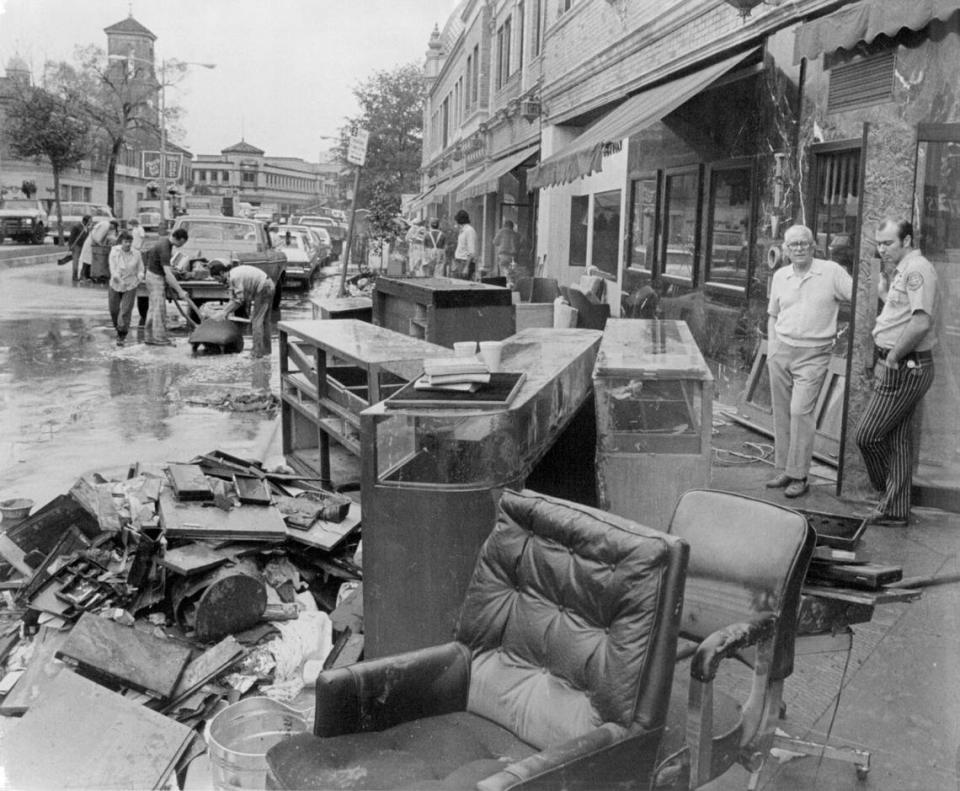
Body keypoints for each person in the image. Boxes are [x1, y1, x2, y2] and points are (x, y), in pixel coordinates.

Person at [854, 218, 939, 526]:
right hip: (904, 363)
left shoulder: (917, 270)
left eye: (888, 243)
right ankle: (896, 509)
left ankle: (887, 493)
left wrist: (892, 358)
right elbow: (902, 313)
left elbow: (920, 322)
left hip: (905, 365)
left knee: (868, 435)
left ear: (907, 240)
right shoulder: (904, 270)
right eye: (878, 243)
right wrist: (884, 294)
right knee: (898, 440)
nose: (882, 249)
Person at [765, 224, 852, 498]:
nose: (799, 249)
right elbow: (773, 315)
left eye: (804, 243)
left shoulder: (831, 272)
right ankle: (786, 469)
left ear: (814, 246)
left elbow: (860, 298)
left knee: (800, 412)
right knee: (781, 412)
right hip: (781, 351)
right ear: (785, 249)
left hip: (814, 353)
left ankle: (800, 476)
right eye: (793, 245)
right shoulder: (781, 276)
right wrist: (773, 350)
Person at [209, 262, 275, 358]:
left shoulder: (234, 277)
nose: (217, 281)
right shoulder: (231, 277)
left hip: (264, 287)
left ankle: (257, 353)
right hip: (269, 285)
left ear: (222, 273)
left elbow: (240, 300)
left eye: (217, 278)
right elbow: (233, 299)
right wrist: (225, 311)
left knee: (256, 321)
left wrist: (224, 312)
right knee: (264, 321)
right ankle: (266, 351)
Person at [142, 228, 190, 346]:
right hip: (155, 278)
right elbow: (168, 274)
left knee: (153, 308)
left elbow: (166, 269)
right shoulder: (165, 248)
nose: (182, 245)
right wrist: (180, 291)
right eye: (183, 243)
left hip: (152, 275)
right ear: (181, 239)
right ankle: (160, 338)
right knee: (159, 309)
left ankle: (149, 337)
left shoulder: (165, 243)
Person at [107, 231, 145, 347]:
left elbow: (141, 269)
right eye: (125, 242)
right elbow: (113, 270)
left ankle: (122, 334)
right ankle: (118, 327)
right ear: (121, 242)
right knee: (114, 310)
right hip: (116, 283)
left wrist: (140, 277)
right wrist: (119, 281)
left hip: (130, 285)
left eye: (130, 242)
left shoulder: (136, 254)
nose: (128, 244)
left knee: (125, 311)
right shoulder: (114, 252)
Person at [452, 209, 477, 280]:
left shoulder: (469, 231)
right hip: (459, 262)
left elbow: (471, 252)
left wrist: (466, 267)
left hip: (464, 263)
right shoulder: (463, 230)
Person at [66, 215, 92, 282]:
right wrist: (70, 246)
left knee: (84, 260)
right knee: (76, 262)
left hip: (83, 246)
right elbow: (71, 237)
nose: (91, 222)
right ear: (85, 221)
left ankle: (82, 275)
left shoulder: (87, 228)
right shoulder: (77, 227)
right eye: (90, 220)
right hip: (76, 246)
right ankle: (74, 277)